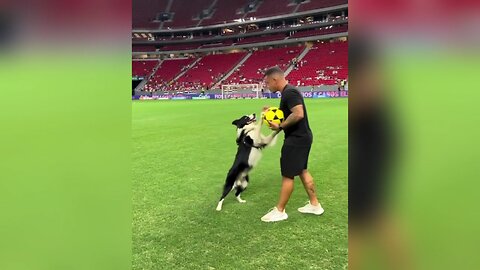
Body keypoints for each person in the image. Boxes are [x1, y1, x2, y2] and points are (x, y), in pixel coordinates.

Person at [260, 66, 324, 222]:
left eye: (268, 82)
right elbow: (287, 114)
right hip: (303, 137)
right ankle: (315, 205)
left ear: (275, 79)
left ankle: (280, 210)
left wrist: (280, 126)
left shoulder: (290, 92)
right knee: (302, 170)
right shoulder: (288, 93)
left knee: (288, 175)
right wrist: (271, 112)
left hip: (296, 139)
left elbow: (298, 113)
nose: (267, 86)